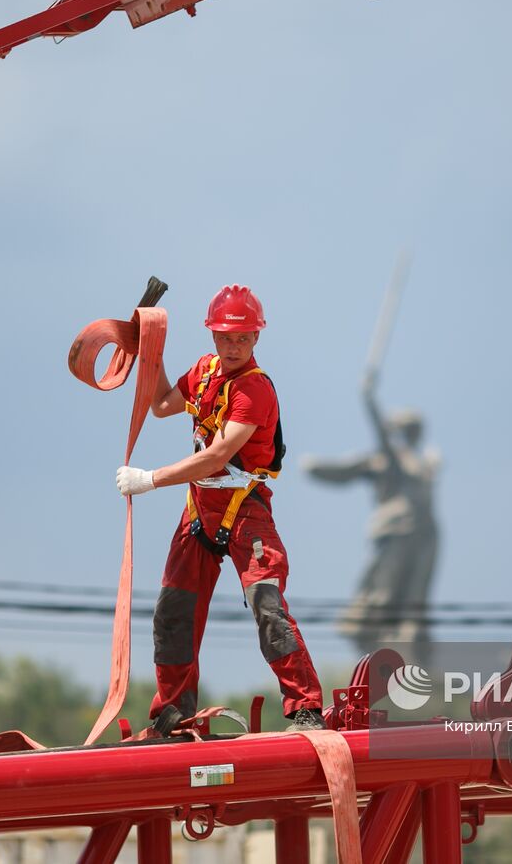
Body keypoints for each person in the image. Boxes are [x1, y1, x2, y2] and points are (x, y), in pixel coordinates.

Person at [115, 284, 324, 733]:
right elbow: (162, 403)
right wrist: (151, 350)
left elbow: (215, 457)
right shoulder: (206, 373)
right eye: (226, 338)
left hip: (244, 511)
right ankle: (174, 712)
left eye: (242, 339)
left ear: (256, 339)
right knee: (173, 612)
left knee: (268, 604)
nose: (233, 347)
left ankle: (305, 708)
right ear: (212, 336)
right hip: (199, 512)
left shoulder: (254, 390)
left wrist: (149, 479)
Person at [303, 377, 440, 662]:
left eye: (415, 430)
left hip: (425, 534)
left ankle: (411, 654)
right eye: (407, 429)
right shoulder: (385, 458)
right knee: (383, 593)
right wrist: (369, 400)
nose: (412, 435)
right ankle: (372, 646)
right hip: (396, 531)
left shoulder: (425, 462)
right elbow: (343, 469)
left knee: (414, 601)